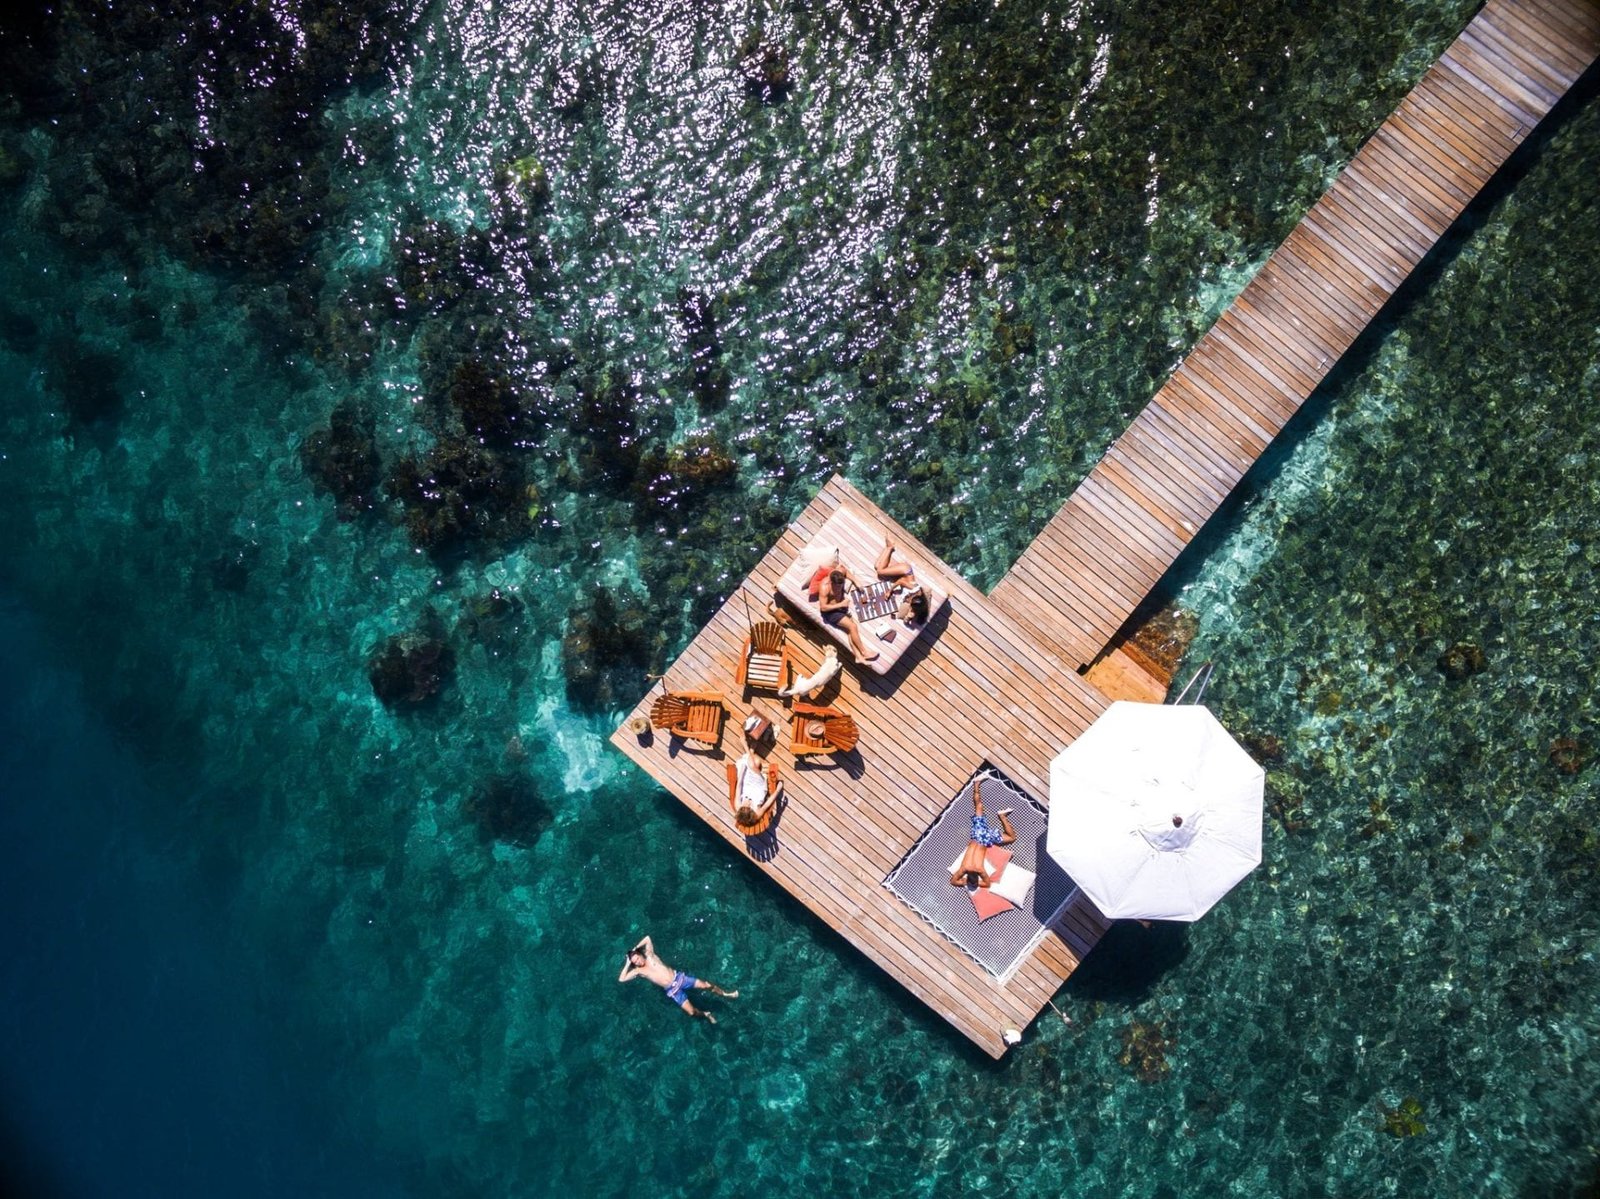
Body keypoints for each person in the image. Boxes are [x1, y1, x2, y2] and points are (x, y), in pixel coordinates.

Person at [617, 935, 737, 1023]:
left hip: (679, 978)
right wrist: (628, 963)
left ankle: (726, 994)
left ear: (639, 954)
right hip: (672, 990)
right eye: (635, 962)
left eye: (637, 958)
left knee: (707, 985)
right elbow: (622, 979)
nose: (637, 962)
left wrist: (635, 948)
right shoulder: (639, 971)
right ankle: (705, 1014)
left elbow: (647, 938)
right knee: (691, 1012)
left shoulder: (650, 954)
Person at [949, 781, 1016, 888]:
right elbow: (953, 881)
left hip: (986, 839)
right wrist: (965, 881)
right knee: (978, 806)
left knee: (1011, 838)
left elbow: (987, 884)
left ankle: (1002, 816)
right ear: (967, 875)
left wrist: (970, 883)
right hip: (977, 834)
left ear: (977, 877)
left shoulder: (980, 870)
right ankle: (976, 784)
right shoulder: (963, 869)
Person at [817, 566, 878, 663]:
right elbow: (823, 608)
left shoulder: (839, 573)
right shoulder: (824, 587)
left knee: (851, 630)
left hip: (841, 607)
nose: (839, 589)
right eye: (837, 587)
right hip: (830, 612)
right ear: (831, 583)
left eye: (841, 586)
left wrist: (856, 582)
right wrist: (841, 604)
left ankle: (858, 657)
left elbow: (844, 569)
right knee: (852, 626)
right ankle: (864, 652)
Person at [877, 538, 929, 627]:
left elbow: (909, 617)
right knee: (880, 571)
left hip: (901, 575)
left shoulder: (918, 606)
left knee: (877, 566)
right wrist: (890, 591)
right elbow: (901, 582)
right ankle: (890, 547)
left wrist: (907, 618)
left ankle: (888, 548)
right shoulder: (913, 589)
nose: (909, 602)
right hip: (905, 571)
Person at [733, 746, 778, 828]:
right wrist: (778, 789)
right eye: (748, 807)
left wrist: (742, 770)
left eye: (743, 807)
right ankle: (747, 748)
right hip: (759, 785)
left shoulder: (738, 806)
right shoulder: (757, 813)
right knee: (755, 763)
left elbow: (739, 786)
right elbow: (767, 804)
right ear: (750, 811)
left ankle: (749, 751)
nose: (746, 804)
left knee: (754, 763)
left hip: (746, 783)